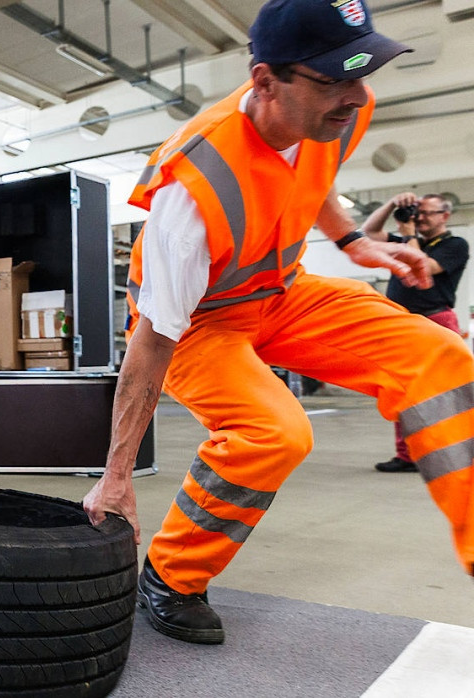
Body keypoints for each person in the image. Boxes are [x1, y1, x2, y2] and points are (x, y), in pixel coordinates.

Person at [82, 0, 474, 647]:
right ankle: (172, 575)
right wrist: (117, 476)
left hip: (281, 292)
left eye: (359, 73)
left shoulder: (338, 108)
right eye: (331, 81)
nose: (353, 96)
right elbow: (152, 341)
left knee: (442, 357)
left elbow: (313, 176)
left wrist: (353, 243)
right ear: (266, 82)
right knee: (274, 430)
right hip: (197, 325)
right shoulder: (194, 188)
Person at [362, 193, 469, 472]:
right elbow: (369, 232)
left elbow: (420, 266)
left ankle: (456, 453)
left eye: (427, 213)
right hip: (401, 322)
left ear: (444, 215)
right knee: (402, 389)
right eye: (415, 212)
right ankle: (408, 455)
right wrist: (391, 204)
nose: (419, 217)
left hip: (435, 320)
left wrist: (408, 234)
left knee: (445, 391)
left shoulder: (454, 244)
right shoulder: (402, 240)